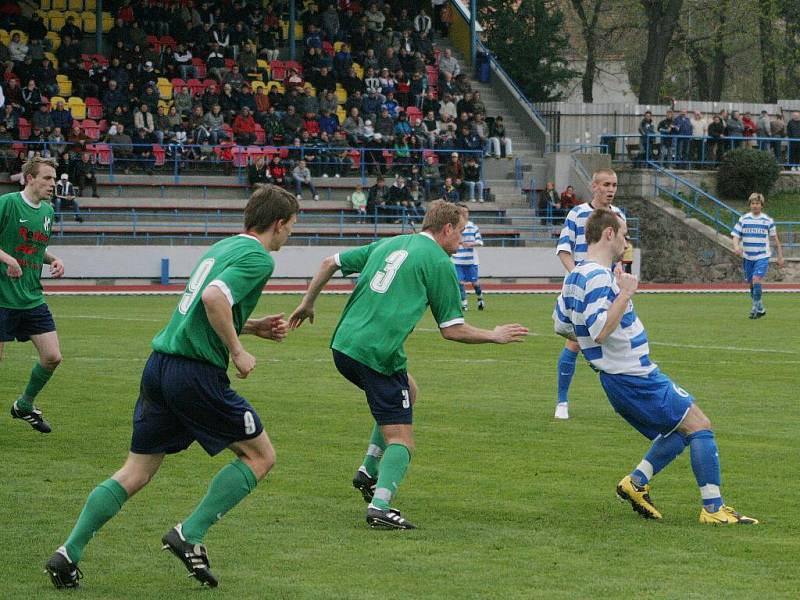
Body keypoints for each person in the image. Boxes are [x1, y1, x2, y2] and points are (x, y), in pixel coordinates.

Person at [45, 185, 300, 589]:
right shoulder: (257, 257)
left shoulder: (221, 248)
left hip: (160, 367)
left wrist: (251, 326)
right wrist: (238, 350)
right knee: (261, 456)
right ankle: (190, 534)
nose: (290, 236)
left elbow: (201, 302)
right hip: (195, 374)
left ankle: (67, 552)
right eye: (292, 228)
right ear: (279, 223)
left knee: (137, 470)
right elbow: (214, 299)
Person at [287, 200, 528, 529]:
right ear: (445, 230)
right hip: (377, 354)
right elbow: (452, 329)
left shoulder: (391, 242)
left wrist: (307, 302)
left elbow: (330, 262)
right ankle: (380, 506)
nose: (463, 239)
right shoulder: (439, 262)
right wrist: (494, 335)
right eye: (461, 232)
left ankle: (368, 469)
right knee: (402, 439)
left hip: (343, 346)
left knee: (409, 390)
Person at [553, 208, 758, 525]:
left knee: (679, 432)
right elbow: (599, 330)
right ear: (608, 234)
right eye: (623, 234)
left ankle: (635, 484)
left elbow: (561, 325)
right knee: (700, 426)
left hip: (622, 377)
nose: (626, 240)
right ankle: (713, 510)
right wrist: (626, 293)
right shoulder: (596, 276)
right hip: (633, 376)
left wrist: (600, 349)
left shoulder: (576, 276)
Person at [554, 168, 625, 420]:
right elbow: (564, 250)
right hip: (582, 289)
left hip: (608, 288)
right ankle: (562, 402)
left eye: (614, 185)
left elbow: (620, 252)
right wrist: (578, 277)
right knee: (575, 342)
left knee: (613, 345)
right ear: (594, 186)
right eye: (606, 184)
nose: (611, 189)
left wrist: (620, 271)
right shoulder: (577, 214)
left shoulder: (618, 215)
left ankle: (623, 403)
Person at [1, 157, 65, 434]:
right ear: (30, 179)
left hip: (31, 296)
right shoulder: (7, 203)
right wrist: (8, 260)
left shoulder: (48, 212)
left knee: (52, 356)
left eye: (54, 179)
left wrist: (52, 259)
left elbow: (34, 248)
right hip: (2, 297)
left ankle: (24, 405)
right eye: (47, 178)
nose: (53, 184)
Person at [731, 193, 784, 319]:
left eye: (757, 203)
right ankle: (760, 308)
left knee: (756, 279)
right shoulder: (743, 219)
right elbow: (735, 236)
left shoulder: (767, 220)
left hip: (762, 256)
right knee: (751, 284)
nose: (755, 206)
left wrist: (780, 256)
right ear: (750, 205)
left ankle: (754, 308)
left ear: (762, 205)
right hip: (748, 257)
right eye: (753, 203)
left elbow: (775, 239)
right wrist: (736, 247)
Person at [452, 204, 485, 311]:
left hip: (470, 260)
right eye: (463, 212)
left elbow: (480, 242)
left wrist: (471, 244)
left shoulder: (473, 227)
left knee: (475, 283)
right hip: (457, 259)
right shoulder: (454, 226)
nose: (465, 214)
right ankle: (464, 304)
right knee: (459, 282)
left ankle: (480, 298)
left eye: (466, 212)